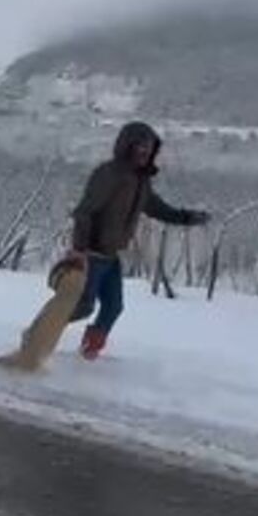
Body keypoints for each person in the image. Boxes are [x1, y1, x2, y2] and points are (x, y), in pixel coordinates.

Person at [68, 121, 210, 360]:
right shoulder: (109, 174)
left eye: (149, 150)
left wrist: (187, 217)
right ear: (127, 146)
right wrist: (80, 248)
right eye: (140, 148)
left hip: (111, 257)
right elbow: (84, 211)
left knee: (113, 307)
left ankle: (88, 354)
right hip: (91, 254)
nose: (145, 154)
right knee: (80, 306)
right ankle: (39, 336)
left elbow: (158, 209)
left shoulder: (140, 182)